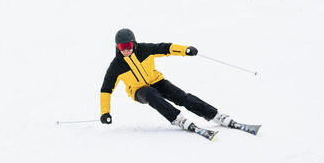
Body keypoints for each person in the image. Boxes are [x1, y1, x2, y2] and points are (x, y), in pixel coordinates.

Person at [99, 27, 236, 133]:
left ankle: (215, 115)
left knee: (181, 96)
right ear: (117, 47)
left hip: (156, 81)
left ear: (134, 43)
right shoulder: (116, 66)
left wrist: (185, 50)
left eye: (128, 45)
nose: (126, 50)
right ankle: (177, 119)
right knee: (151, 94)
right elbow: (106, 90)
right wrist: (105, 112)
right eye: (122, 47)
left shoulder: (144, 49)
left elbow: (165, 48)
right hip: (138, 91)